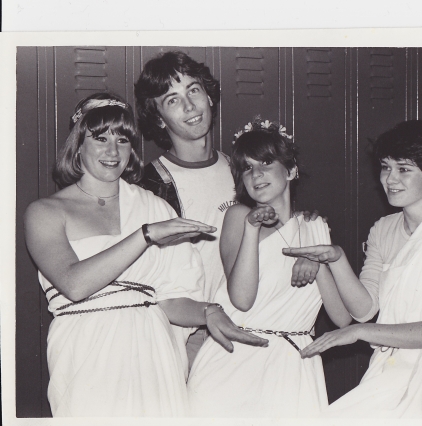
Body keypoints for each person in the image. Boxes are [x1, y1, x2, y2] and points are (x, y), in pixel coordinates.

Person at [23, 93, 267, 417]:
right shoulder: (45, 212)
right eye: (100, 138)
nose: (113, 151)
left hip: (155, 351)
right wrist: (146, 235)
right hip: (85, 353)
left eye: (123, 140)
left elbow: (170, 300)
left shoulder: (153, 206)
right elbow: (74, 284)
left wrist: (209, 311)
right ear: (78, 144)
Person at [283, 120, 422, 419]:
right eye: (385, 167)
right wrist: (336, 259)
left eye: (404, 169)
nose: (390, 178)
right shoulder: (384, 228)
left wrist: (358, 333)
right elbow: (364, 309)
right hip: (387, 366)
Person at [135, 51, 321, 367]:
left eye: (193, 90)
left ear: (209, 96)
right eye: (172, 100)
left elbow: (277, 232)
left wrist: (309, 242)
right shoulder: (153, 183)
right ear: (158, 118)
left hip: (254, 322)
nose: (189, 106)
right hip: (192, 334)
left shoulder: (241, 169)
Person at [187, 119, 352, 417]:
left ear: (290, 170)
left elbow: (342, 319)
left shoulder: (315, 226)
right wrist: (252, 229)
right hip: (235, 359)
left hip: (293, 365)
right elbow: (242, 299)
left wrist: (318, 265)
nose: (256, 174)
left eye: (265, 162)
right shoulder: (238, 216)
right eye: (246, 168)